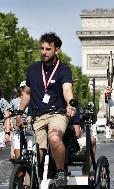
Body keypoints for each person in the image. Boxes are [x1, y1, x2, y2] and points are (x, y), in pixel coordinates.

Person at [16, 32, 77, 187]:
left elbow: (67, 90)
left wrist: (70, 104)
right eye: (42, 48)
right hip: (36, 116)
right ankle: (32, 179)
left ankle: (61, 171)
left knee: (54, 138)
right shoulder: (32, 69)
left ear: (57, 50)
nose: (44, 52)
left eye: (48, 49)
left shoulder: (64, 70)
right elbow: (27, 93)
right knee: (35, 151)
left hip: (57, 114)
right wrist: (20, 112)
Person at [9, 81, 29, 161]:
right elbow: (10, 114)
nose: (25, 89)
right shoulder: (14, 101)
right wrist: (10, 125)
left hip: (29, 130)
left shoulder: (33, 100)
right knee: (18, 158)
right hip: (17, 130)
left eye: (26, 87)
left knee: (29, 155)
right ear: (21, 89)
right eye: (23, 88)